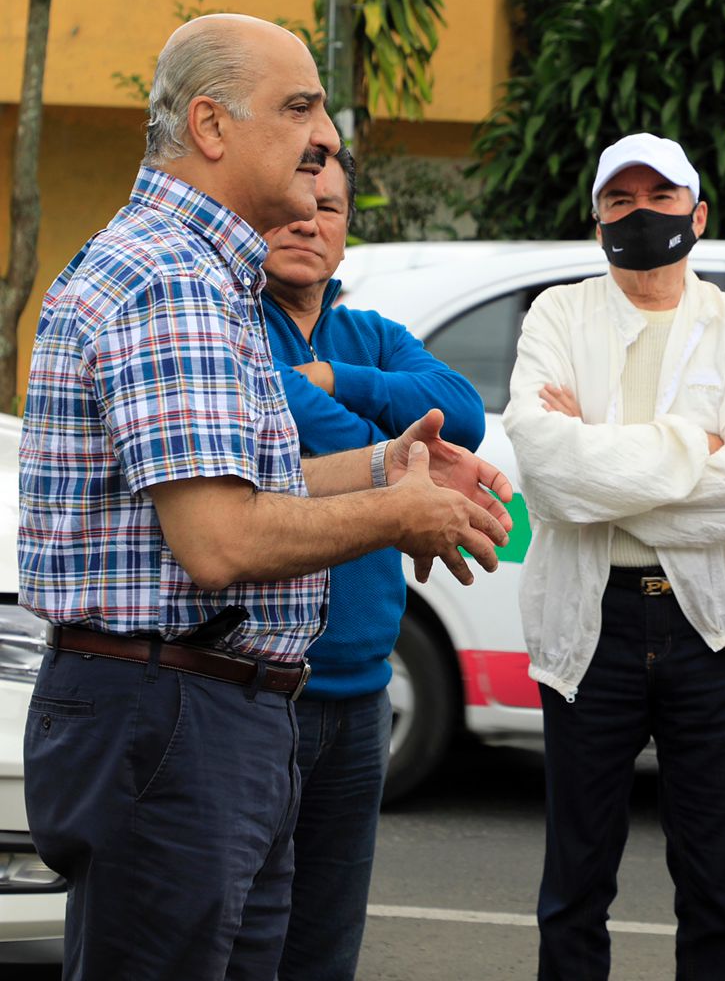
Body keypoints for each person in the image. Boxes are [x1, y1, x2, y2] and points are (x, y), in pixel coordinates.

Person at [18, 14, 513, 981]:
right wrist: (397, 513)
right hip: (172, 712)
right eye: (298, 107)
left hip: (195, 710)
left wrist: (390, 468)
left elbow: (235, 484)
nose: (322, 135)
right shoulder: (170, 280)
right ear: (210, 126)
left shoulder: (200, 273)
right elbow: (220, 540)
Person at [501, 132, 725, 980]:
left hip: (709, 632)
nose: (640, 214)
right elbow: (549, 481)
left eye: (659, 198)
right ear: (597, 223)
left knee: (715, 884)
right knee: (576, 882)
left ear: (697, 215)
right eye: (619, 201)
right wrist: (690, 446)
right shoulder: (558, 315)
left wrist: (598, 449)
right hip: (592, 624)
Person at [259, 146, 487, 981]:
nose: (307, 220)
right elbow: (285, 418)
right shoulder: (229, 326)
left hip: (362, 697)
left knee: (323, 946)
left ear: (346, 233)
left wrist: (336, 373)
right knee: (241, 937)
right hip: (253, 690)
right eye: (294, 199)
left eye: (330, 208)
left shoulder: (374, 337)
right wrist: (396, 458)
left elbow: (462, 412)